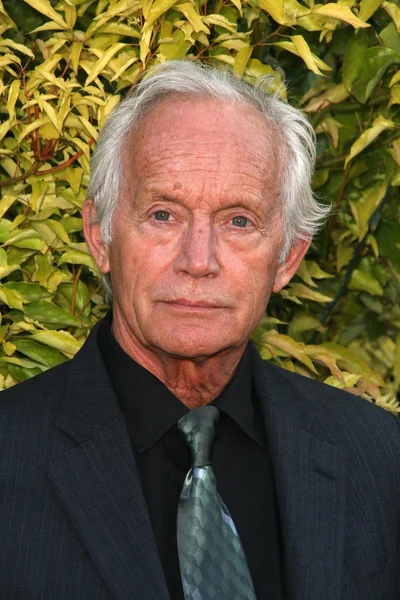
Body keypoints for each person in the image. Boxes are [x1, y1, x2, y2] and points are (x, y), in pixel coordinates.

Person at [0, 60, 399, 600]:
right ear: (100, 237)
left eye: (239, 220)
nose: (198, 259)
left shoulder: (380, 459)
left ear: (288, 258)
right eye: (164, 214)